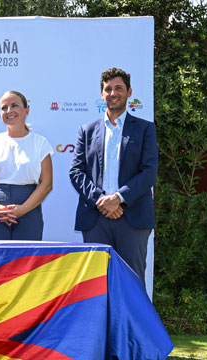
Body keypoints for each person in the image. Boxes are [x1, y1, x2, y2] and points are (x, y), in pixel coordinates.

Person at [69, 67, 158, 284]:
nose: (113, 93)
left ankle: (130, 320)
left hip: (132, 218)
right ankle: (100, 320)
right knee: (95, 283)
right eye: (108, 89)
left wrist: (118, 198)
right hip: (96, 218)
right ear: (102, 94)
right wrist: (102, 200)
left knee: (132, 283)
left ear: (129, 92)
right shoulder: (87, 130)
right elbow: (76, 171)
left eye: (118, 88)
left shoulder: (145, 129)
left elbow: (149, 172)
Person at [0, 91, 53, 240]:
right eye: (4, 108)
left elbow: (47, 183)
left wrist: (22, 210)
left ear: (26, 111)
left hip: (29, 210)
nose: (9, 111)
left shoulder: (40, 143)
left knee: (27, 261)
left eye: (14, 105)